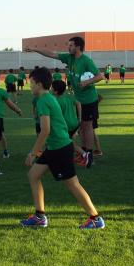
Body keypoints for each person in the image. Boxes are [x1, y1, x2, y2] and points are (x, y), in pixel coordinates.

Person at [20, 67, 105, 229]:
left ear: (38, 84)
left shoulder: (43, 100)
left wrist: (33, 153)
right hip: (54, 147)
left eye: (31, 83)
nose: (29, 85)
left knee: (72, 184)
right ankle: (39, 216)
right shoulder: (48, 98)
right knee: (33, 176)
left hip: (59, 148)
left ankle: (95, 218)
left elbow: (45, 130)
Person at [26, 36, 104, 160]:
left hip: (89, 99)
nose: (68, 47)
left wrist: (86, 82)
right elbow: (51, 54)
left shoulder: (86, 61)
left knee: (87, 126)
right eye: (68, 45)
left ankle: (88, 155)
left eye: (71, 45)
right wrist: (35, 49)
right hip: (79, 99)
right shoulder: (69, 58)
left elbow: (100, 76)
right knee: (82, 127)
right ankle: (83, 153)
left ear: (78, 47)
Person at [51, 79, 91, 168]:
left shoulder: (57, 101)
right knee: (69, 142)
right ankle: (69, 158)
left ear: (56, 91)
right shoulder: (68, 97)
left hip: (66, 125)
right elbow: (78, 103)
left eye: (52, 88)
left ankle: (84, 154)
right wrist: (79, 117)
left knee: (66, 143)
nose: (50, 89)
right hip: (74, 123)